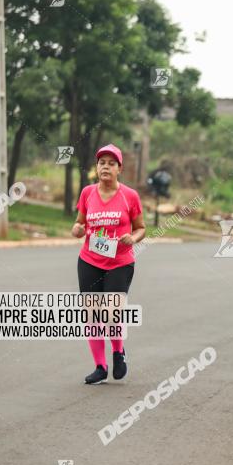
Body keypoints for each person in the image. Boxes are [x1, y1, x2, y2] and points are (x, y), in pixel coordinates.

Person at [71, 144, 145, 384]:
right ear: (96, 167)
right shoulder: (87, 193)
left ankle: (118, 352)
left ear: (119, 169)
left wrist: (132, 238)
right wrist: (77, 229)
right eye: (102, 162)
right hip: (89, 260)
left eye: (111, 163)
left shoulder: (129, 196)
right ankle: (100, 367)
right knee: (92, 314)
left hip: (120, 262)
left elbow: (141, 228)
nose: (106, 167)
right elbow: (79, 223)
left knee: (112, 312)